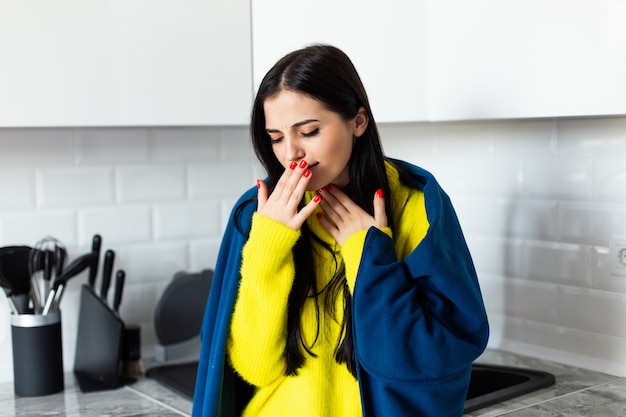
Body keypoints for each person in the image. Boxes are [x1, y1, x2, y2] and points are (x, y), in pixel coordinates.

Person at [192, 44, 489, 417]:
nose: (290, 154)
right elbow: (256, 368)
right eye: (276, 136)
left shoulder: (417, 205)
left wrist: (370, 259)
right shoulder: (261, 212)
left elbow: (427, 362)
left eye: (309, 131)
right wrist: (267, 249)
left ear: (358, 121)